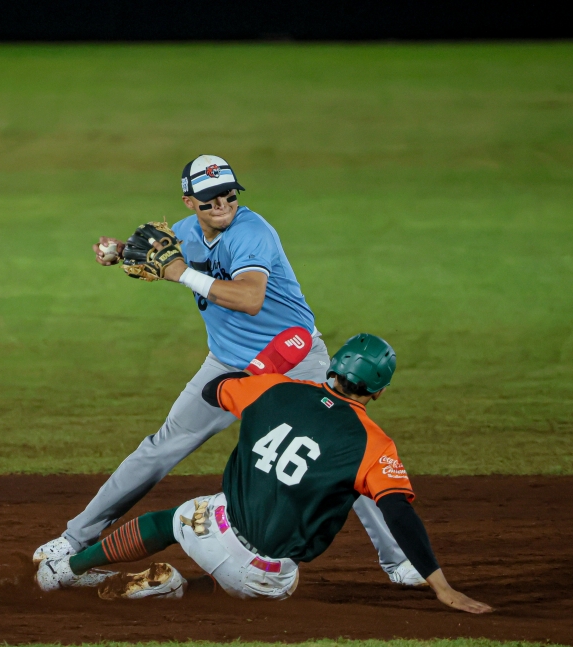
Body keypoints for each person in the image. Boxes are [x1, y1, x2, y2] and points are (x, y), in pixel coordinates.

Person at [33, 155, 424, 586]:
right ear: (189, 202)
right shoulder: (186, 232)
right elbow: (158, 253)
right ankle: (75, 538)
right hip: (225, 365)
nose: (221, 204)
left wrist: (181, 274)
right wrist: (120, 251)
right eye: (209, 199)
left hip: (293, 361)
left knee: (338, 453)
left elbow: (250, 298)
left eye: (228, 195)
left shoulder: (252, 233)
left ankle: (399, 561)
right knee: (159, 448)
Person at [36, 333, 493, 614]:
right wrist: (442, 587)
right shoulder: (375, 444)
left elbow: (214, 390)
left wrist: (260, 369)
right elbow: (399, 515)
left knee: (170, 520)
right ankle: (183, 591)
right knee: (276, 566)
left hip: (211, 529)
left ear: (334, 367)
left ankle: (63, 570)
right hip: (267, 581)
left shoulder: (273, 389)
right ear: (380, 391)